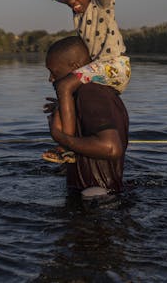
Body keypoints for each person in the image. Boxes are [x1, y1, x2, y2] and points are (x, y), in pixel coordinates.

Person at [34, 0, 131, 164]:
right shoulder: (75, 9)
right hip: (97, 69)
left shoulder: (101, 4)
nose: (71, 1)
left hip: (115, 66)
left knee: (64, 85)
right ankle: (67, 146)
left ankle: (65, 146)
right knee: (61, 100)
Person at [44, 36, 129, 198]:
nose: (51, 79)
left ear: (76, 67)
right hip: (101, 195)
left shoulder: (90, 94)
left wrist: (58, 136)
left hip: (96, 200)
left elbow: (111, 147)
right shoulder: (92, 94)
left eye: (54, 72)